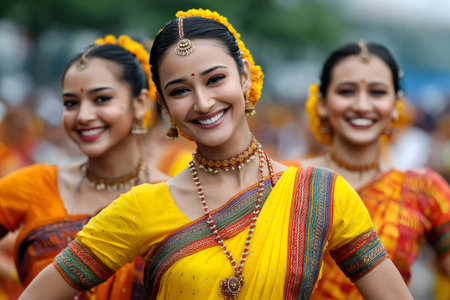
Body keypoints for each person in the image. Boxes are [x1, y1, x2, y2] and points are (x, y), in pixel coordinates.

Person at [21, 9, 412, 300]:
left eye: (215, 79)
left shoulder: (321, 194)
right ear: (165, 105)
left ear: (244, 76)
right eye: (179, 90)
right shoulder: (140, 207)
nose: (203, 102)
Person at [0, 34, 168, 299]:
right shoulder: (35, 184)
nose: (83, 116)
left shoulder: (172, 197)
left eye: (101, 99)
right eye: (70, 103)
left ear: (140, 104)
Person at [298, 41, 450, 299]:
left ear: (395, 107)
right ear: (322, 103)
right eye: (346, 91)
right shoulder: (285, 179)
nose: (362, 105)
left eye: (377, 92)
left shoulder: (423, 190)